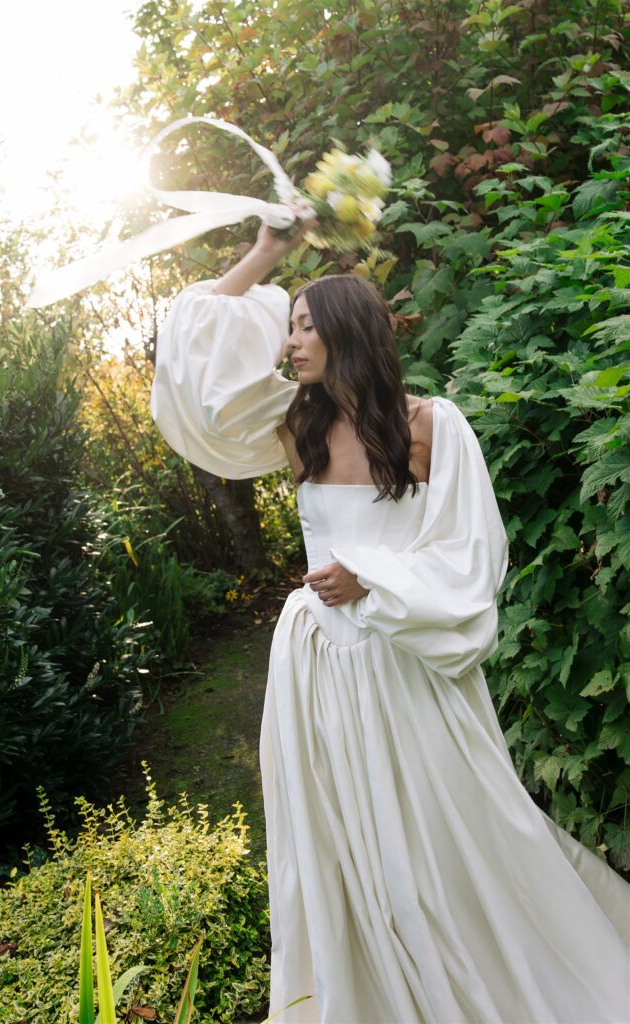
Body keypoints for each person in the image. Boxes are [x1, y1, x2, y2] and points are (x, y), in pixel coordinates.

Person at [151, 219, 630, 1024]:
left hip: (399, 668)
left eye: (306, 324)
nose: (291, 338)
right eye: (291, 322)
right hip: (313, 671)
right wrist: (264, 255)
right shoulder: (291, 424)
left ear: (348, 333)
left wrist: (370, 580)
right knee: (335, 845)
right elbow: (189, 358)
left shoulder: (426, 425)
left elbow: (468, 556)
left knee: (447, 837)